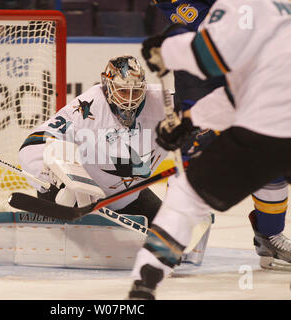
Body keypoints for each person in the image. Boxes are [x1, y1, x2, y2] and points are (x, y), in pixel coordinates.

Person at [127, 0, 291, 300]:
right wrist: (189, 120)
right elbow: (239, 91)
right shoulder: (286, 10)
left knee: (187, 196)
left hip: (266, 131)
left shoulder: (239, 5)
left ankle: (146, 278)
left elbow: (209, 56)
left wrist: (166, 50)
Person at [18, 55, 210, 265]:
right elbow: (34, 142)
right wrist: (52, 174)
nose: (130, 99)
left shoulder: (164, 106)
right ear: (108, 87)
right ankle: (59, 221)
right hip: (74, 196)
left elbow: (211, 111)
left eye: (136, 91)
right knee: (70, 227)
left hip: (125, 196)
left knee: (173, 249)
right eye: (123, 91)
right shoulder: (87, 108)